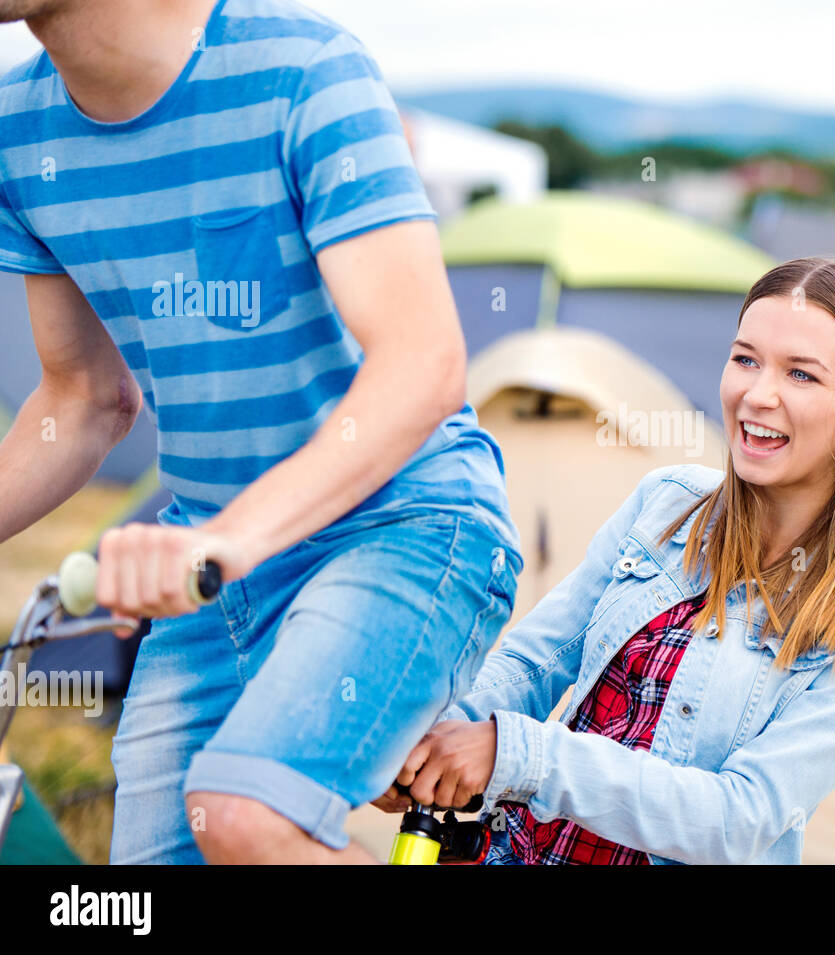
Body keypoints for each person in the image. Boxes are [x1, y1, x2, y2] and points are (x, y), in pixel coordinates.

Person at [0, 0, 521, 863]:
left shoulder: (303, 70)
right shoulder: (20, 131)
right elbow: (84, 399)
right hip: (212, 583)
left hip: (401, 529)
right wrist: (216, 549)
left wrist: (226, 539)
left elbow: (424, 361)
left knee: (243, 813)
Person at [377, 256, 835, 865]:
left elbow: (739, 819)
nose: (758, 394)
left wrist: (515, 754)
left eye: (801, 375)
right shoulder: (665, 502)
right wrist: (435, 742)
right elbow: (535, 661)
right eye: (745, 360)